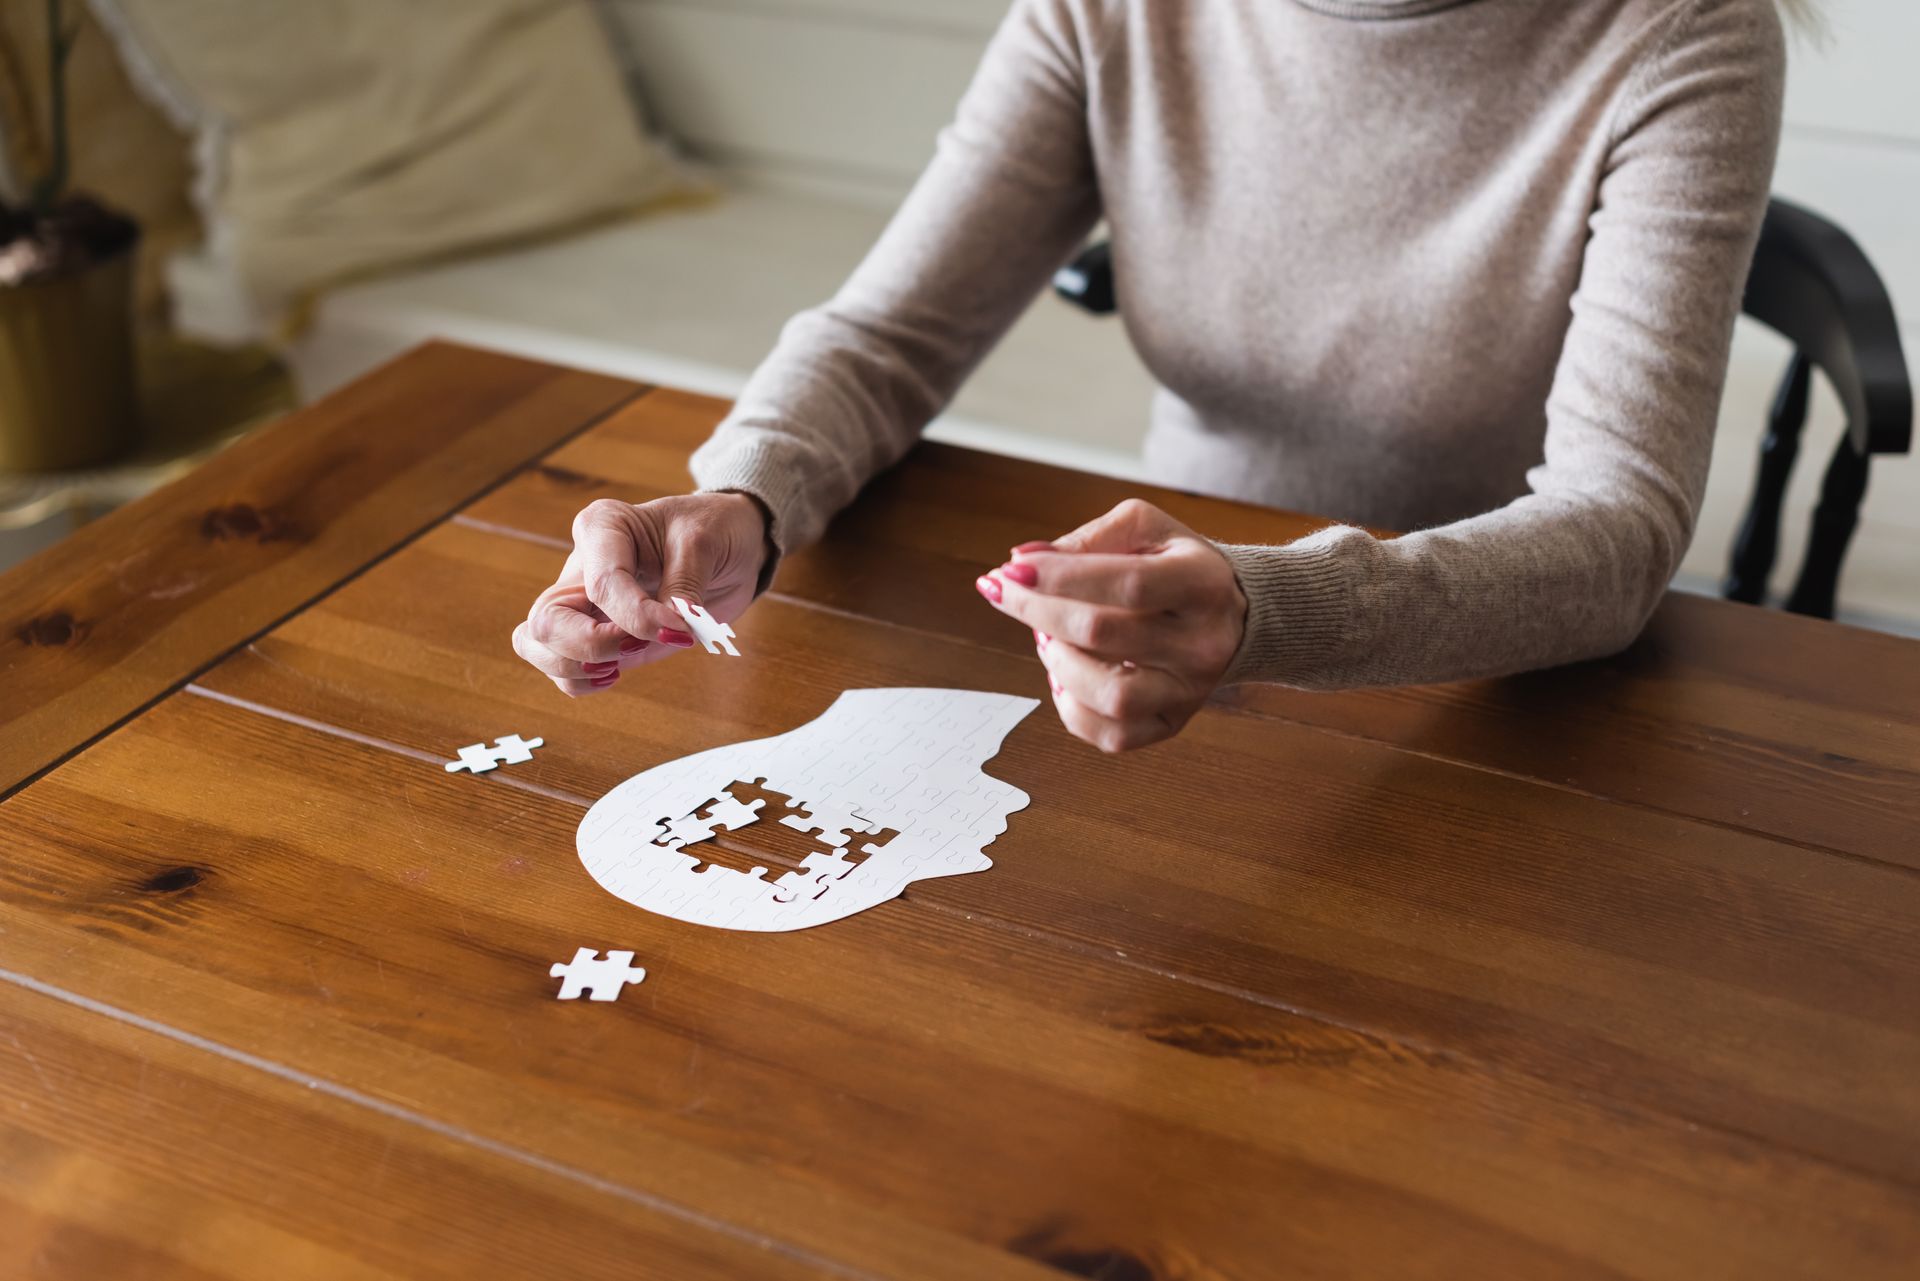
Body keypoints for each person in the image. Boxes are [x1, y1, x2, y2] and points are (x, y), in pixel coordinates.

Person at [515, 0, 1787, 753]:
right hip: (1167, 626)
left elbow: (1618, 533)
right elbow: (887, 335)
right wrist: (743, 501)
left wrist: (1268, 612)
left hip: (1501, 672)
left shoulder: (1684, 33)